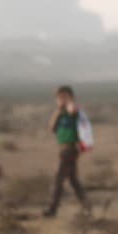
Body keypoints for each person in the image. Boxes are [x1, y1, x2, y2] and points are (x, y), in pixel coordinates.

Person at [43, 85, 89, 217]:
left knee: (58, 179)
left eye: (65, 97)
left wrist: (69, 105)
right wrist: (58, 111)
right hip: (63, 148)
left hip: (70, 149)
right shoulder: (60, 114)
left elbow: (74, 110)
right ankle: (86, 206)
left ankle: (52, 209)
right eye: (59, 98)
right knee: (74, 180)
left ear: (71, 98)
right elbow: (51, 128)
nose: (62, 100)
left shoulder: (73, 111)